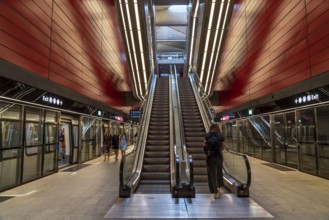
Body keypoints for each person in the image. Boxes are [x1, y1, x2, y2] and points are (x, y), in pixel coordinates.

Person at [203, 123, 225, 199]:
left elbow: (204, 146)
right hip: (218, 156)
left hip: (210, 157)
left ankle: (215, 192)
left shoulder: (207, 135)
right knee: (219, 172)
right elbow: (222, 147)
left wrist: (208, 153)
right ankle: (219, 188)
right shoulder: (220, 135)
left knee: (212, 174)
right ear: (217, 127)